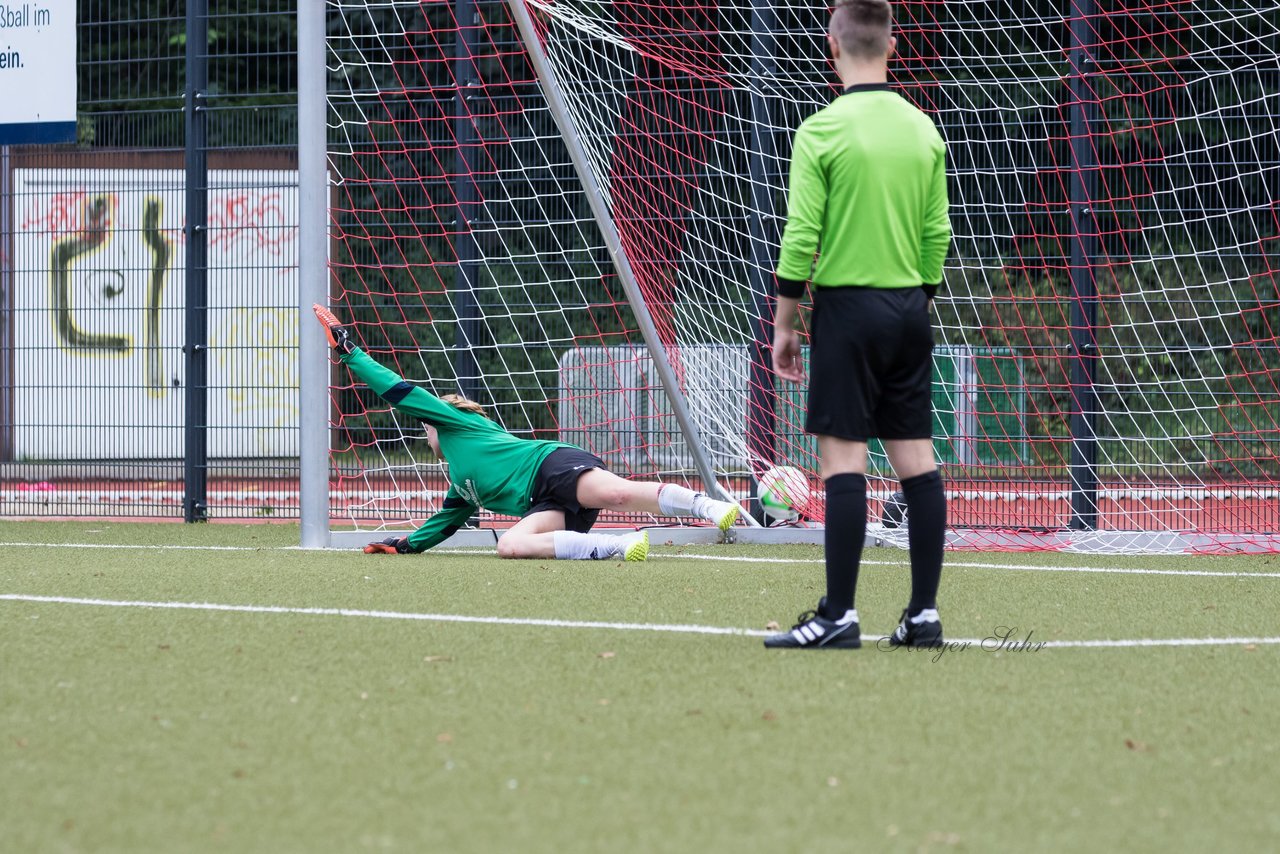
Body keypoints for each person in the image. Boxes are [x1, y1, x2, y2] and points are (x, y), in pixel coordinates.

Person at [762, 0, 951, 649]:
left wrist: (785, 322)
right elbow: (937, 235)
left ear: (832, 45)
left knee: (843, 463)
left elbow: (801, 236)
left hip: (846, 309)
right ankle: (922, 616)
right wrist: (914, 303)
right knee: (918, 464)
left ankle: (838, 615)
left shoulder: (822, 130)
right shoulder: (924, 131)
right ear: (892, 46)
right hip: (908, 310)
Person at [312, 305, 740, 560]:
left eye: (425, 427)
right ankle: (618, 546)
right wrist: (403, 546)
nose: (425, 434)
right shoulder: (461, 485)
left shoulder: (457, 422)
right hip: (544, 503)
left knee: (617, 494)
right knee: (510, 546)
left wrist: (349, 352)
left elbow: (401, 391)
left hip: (549, 466)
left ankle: (706, 506)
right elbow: (442, 526)